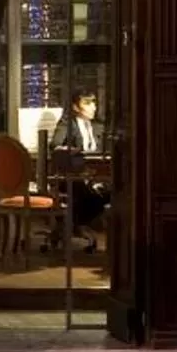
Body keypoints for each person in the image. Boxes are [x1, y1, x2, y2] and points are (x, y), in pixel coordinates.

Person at [50, 93, 109, 248]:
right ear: (76, 107)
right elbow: (55, 145)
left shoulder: (99, 126)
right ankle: (74, 225)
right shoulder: (67, 123)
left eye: (94, 103)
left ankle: (73, 224)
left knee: (110, 193)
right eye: (88, 103)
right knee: (85, 192)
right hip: (72, 175)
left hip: (95, 175)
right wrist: (76, 152)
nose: (93, 107)